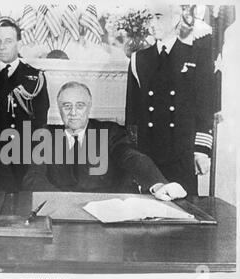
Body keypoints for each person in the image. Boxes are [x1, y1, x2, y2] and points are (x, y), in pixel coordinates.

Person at [23, 81, 187, 201]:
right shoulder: (46, 136)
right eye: (66, 106)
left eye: (80, 106)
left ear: (89, 107)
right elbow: (33, 178)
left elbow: (132, 157)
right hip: (59, 213)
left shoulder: (110, 132)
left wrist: (157, 184)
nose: (73, 112)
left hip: (105, 217)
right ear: (59, 109)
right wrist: (63, 201)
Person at [125, 5, 215, 195]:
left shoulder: (197, 56)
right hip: (148, 152)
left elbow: (205, 107)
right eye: (150, 18)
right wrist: (132, 154)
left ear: (175, 19)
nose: (152, 24)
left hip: (181, 151)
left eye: (158, 17)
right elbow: (132, 113)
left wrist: (201, 150)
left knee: (183, 212)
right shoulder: (138, 59)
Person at [0, 18, 50, 185]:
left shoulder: (35, 77)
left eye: (8, 41)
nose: (2, 46)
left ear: (19, 43)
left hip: (24, 153)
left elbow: (40, 122)